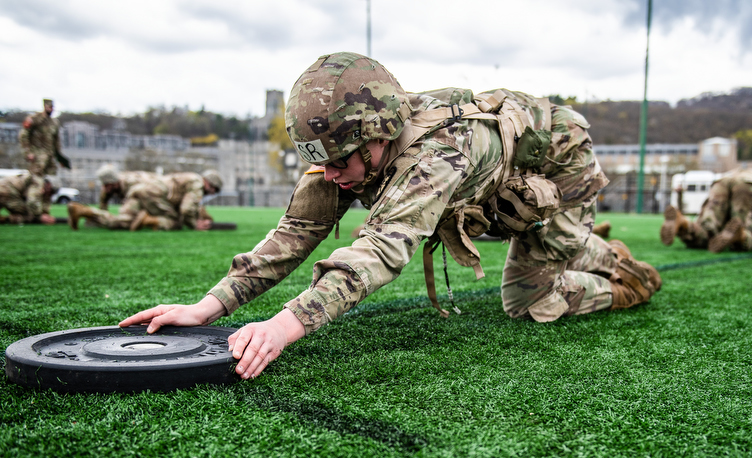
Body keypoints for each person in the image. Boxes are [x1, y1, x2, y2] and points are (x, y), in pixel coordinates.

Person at [120, 52, 661, 380]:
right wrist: (209, 306)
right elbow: (295, 233)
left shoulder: (438, 154)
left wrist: (283, 327)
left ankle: (624, 279)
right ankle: (583, 248)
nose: (330, 175)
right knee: (499, 221)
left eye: (339, 163)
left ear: (376, 136)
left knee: (527, 299)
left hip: (560, 169)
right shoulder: (349, 151)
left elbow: (381, 250)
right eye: (320, 162)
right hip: (493, 186)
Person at [661, 168, 752, 252]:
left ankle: (683, 223)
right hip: (747, 184)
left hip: (722, 181)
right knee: (745, 225)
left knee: (707, 227)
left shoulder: (740, 170)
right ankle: (741, 235)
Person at [66, 164, 174, 230]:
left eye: (108, 185)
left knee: (124, 221)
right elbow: (103, 205)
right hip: (141, 197)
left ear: (115, 182)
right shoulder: (110, 186)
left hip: (152, 194)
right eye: (104, 186)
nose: (106, 189)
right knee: (124, 221)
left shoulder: (133, 181)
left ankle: (83, 211)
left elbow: (154, 194)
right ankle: (82, 211)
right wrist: (94, 220)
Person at [129, 170, 221, 231]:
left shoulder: (191, 177)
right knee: (177, 223)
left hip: (141, 188)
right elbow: (186, 209)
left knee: (126, 221)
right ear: (210, 184)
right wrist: (194, 225)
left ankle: (140, 219)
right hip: (155, 194)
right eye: (215, 190)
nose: (213, 193)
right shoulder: (197, 183)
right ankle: (148, 220)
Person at [19, 99, 70, 177]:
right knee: (36, 176)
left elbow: (56, 140)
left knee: (51, 176)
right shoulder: (35, 119)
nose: (51, 109)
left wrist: (59, 157)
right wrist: (28, 152)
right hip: (38, 153)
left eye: (52, 107)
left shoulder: (54, 122)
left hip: (50, 154)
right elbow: (24, 135)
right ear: (44, 106)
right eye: (49, 107)